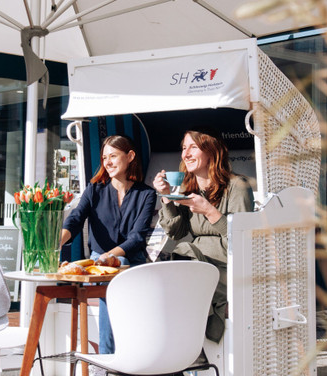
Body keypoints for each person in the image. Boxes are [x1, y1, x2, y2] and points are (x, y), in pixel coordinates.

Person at [153, 127, 254, 344]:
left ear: (212, 151)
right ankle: (176, 348)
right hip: (195, 262)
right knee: (165, 274)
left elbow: (244, 243)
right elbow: (175, 232)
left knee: (181, 272)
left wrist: (210, 211)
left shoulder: (237, 187)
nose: (186, 154)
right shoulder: (189, 189)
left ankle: (188, 350)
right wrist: (167, 197)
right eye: (183, 148)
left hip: (227, 268)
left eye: (193, 147)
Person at [61, 135, 156, 355]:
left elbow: (136, 238)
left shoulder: (146, 194)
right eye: (105, 157)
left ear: (130, 156)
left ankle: (107, 356)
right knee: (112, 273)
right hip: (99, 265)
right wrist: (56, 242)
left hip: (131, 262)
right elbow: (75, 219)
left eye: (113, 156)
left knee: (117, 264)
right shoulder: (95, 189)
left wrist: (108, 256)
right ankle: (111, 356)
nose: (108, 162)